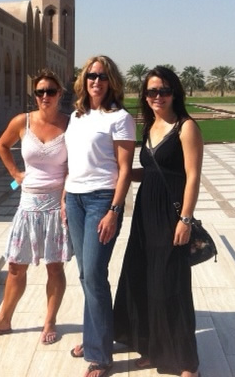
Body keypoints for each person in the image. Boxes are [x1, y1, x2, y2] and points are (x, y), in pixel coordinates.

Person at [113, 66, 203, 377]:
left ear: (175, 93)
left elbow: (192, 177)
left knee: (171, 287)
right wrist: (116, 175)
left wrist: (185, 219)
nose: (157, 96)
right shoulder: (149, 127)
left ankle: (187, 362)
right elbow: (148, 173)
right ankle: (153, 349)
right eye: (151, 91)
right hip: (144, 217)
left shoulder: (186, 127)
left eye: (164, 90)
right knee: (145, 282)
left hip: (171, 217)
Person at [0, 68, 72, 345]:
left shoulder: (70, 124)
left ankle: (49, 321)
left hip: (56, 203)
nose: (45, 96)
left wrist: (67, 190)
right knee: (16, 265)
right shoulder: (23, 121)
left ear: (60, 94)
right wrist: (16, 174)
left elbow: (78, 160)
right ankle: (3, 319)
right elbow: (3, 146)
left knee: (55, 268)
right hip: (27, 203)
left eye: (50, 91)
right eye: (40, 92)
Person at [64, 55, 136, 377]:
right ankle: (95, 337)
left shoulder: (119, 118)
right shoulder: (77, 116)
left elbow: (124, 170)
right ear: (84, 80)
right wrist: (66, 197)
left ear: (111, 82)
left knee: (94, 274)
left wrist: (114, 211)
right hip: (75, 200)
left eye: (102, 76)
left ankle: (100, 355)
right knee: (85, 276)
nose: (96, 81)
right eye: (91, 75)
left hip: (101, 202)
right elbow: (73, 160)